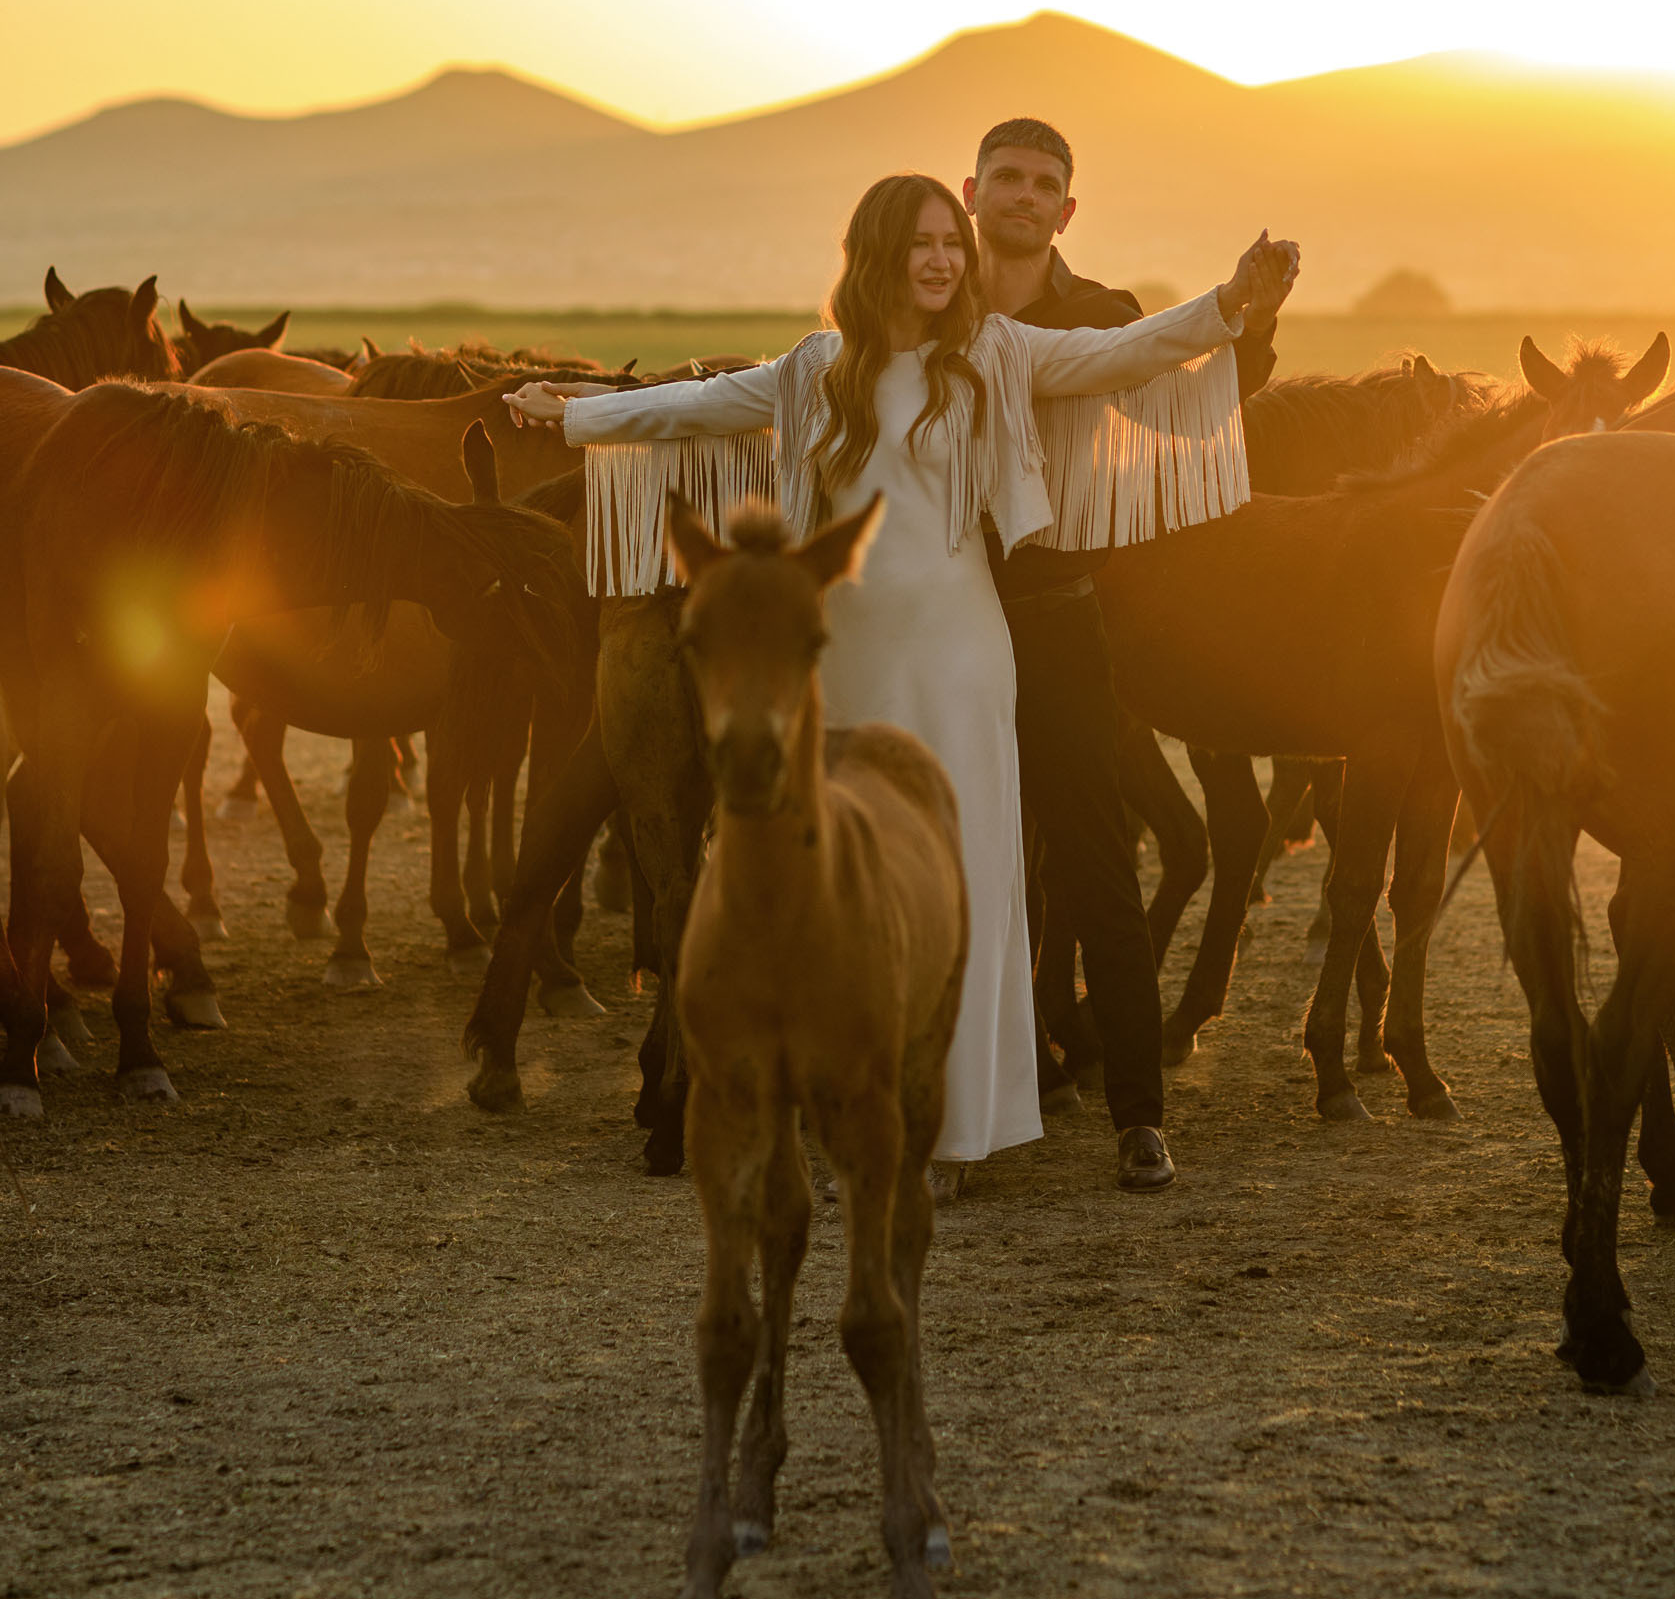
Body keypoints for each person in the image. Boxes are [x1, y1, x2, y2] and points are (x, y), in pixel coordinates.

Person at [505, 175, 1298, 1177]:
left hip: (960, 655)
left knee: (965, 879)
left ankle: (963, 1115)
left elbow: (1114, 353)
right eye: (921, 242)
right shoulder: (811, 371)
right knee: (839, 880)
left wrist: (1227, 306)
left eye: (948, 245)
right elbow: (696, 408)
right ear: (878, 253)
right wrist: (572, 413)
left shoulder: (996, 355)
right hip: (843, 660)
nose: (941, 259)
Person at [966, 120, 1294, 1191]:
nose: (1022, 195)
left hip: (1062, 614)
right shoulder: (920, 306)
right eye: (1005, 177)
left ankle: (1136, 1115)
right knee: (955, 865)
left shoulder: (1097, 319)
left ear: (1065, 212)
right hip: (940, 617)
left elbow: (1194, 415)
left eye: (1043, 185)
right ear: (971, 191)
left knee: (1096, 862)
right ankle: (952, 1099)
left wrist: (1248, 331)